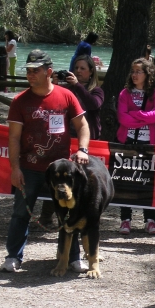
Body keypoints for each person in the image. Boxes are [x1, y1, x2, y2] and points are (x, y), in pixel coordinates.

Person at [0, 50, 91, 273]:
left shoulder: (66, 96)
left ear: (49, 72)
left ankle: (72, 258)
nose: (30, 74)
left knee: (69, 214)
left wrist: (83, 149)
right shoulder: (20, 101)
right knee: (21, 213)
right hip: (29, 169)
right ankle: (13, 256)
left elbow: (82, 126)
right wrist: (15, 168)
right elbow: (13, 137)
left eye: (35, 71)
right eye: (28, 71)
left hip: (62, 170)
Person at [41, 54, 105, 227]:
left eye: (83, 68)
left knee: (82, 179)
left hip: (87, 141)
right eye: (76, 68)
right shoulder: (66, 90)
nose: (78, 71)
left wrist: (77, 85)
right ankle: (48, 215)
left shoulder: (96, 90)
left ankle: (81, 214)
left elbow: (93, 104)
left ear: (91, 71)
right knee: (60, 177)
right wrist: (53, 84)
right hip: (67, 138)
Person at [116, 58, 155, 236]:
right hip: (128, 141)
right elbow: (122, 118)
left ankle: (150, 219)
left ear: (147, 74)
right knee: (126, 180)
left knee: (147, 181)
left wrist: (135, 114)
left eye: (139, 71)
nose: (135, 75)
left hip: (148, 142)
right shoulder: (125, 93)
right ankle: (125, 219)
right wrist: (143, 117)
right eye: (133, 71)